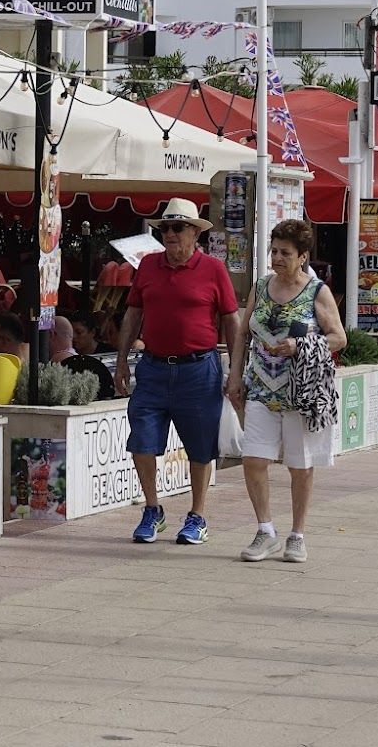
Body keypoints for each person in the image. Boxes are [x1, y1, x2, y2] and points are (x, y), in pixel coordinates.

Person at [115, 197, 239, 546]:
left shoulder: (213, 269)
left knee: (200, 449)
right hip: (153, 368)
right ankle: (153, 509)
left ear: (194, 233)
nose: (169, 234)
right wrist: (122, 359)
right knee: (141, 440)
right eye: (165, 228)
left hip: (199, 369)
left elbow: (231, 318)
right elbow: (132, 315)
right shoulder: (149, 267)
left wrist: (234, 369)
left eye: (177, 227)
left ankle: (197, 515)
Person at [229, 219, 346, 564]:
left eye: (285, 253)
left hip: (301, 392)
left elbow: (339, 336)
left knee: (300, 464)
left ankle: (297, 534)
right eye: (274, 251)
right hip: (261, 388)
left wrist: (300, 344)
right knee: (253, 459)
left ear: (303, 256)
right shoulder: (261, 286)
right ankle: (265, 530)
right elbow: (242, 334)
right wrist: (235, 376)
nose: (277, 258)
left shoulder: (316, 291)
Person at [54, 315, 116, 401]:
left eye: (79, 332)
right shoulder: (72, 354)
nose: (74, 337)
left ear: (92, 332)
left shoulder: (107, 352)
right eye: (72, 333)